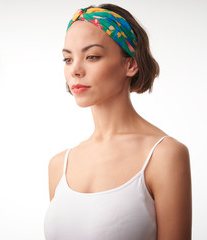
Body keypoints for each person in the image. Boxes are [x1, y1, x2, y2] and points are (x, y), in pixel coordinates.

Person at [44, 4, 192, 240]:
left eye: (92, 56)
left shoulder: (164, 155)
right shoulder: (59, 165)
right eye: (67, 59)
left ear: (130, 64)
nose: (76, 70)